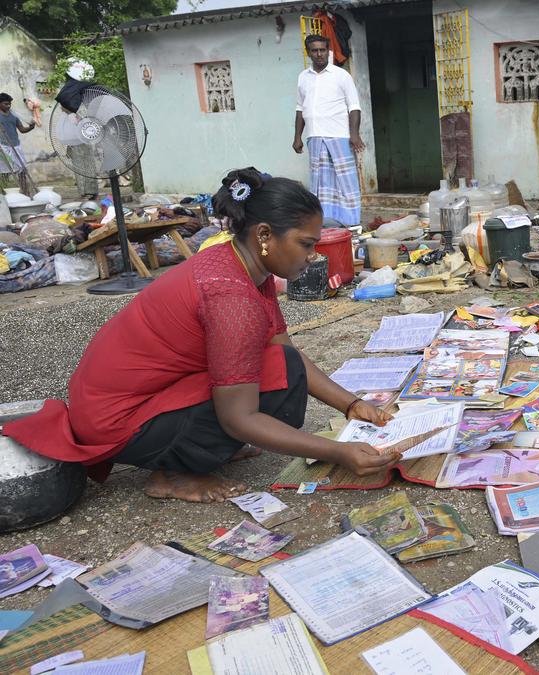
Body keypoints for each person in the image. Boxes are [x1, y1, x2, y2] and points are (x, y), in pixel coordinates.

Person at [2, 168, 402, 503]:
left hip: (121, 398)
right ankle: (172, 474)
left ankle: (199, 448)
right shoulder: (231, 296)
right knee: (275, 391)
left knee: (283, 369)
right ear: (264, 235)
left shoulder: (242, 262)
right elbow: (239, 416)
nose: (313, 255)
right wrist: (339, 452)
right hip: (116, 420)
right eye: (306, 244)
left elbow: (284, 351)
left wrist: (351, 405)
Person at [293, 34, 364, 226]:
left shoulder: (341, 75)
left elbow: (354, 106)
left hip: (339, 136)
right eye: (314, 50)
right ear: (309, 53)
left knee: (345, 182)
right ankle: (324, 222)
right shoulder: (303, 77)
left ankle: (351, 222)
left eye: (322, 50)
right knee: (320, 183)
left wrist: (354, 134)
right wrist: (297, 137)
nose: (319, 54)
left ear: (328, 51)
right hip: (315, 137)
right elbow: (300, 108)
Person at [0, 93, 36, 197]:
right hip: (3, 146)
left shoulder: (13, 115)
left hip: (15, 145)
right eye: (5, 104)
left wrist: (30, 127)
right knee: (4, 173)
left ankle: (25, 193)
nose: (8, 106)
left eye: (9, 104)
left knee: (22, 171)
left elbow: (22, 129)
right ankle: (3, 196)